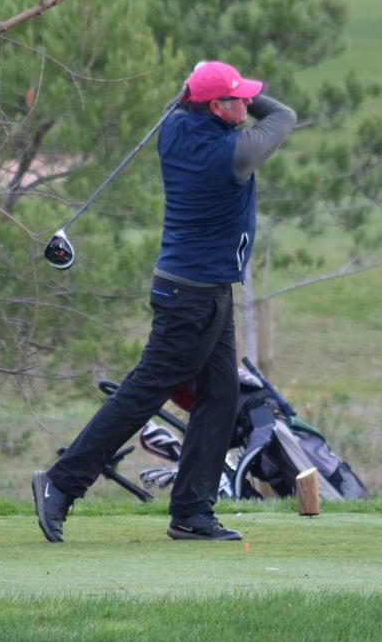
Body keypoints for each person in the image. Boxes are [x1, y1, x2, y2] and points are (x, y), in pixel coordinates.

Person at [33, 60, 296, 542]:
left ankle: (192, 511)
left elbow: (185, 105)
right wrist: (223, 94)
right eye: (238, 98)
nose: (247, 103)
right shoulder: (233, 153)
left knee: (219, 398)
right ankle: (61, 482)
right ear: (216, 107)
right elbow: (283, 116)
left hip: (201, 289)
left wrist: (201, 90)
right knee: (143, 393)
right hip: (192, 297)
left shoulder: (174, 127)